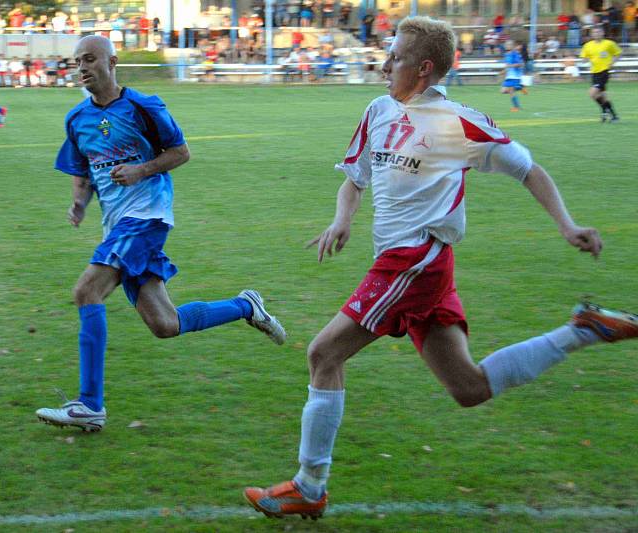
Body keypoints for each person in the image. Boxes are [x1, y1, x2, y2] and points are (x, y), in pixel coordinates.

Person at [244, 16, 638, 520]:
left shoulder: (458, 122)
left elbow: (528, 169)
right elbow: (355, 178)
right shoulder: (378, 110)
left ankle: (309, 486)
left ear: (425, 69)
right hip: (407, 262)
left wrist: (567, 225)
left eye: (397, 58)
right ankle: (582, 330)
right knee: (469, 388)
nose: (384, 64)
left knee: (324, 354)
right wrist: (342, 219)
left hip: (415, 260)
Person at [35, 36, 287, 432]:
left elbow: (181, 152)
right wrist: (79, 203)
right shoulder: (77, 119)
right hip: (118, 225)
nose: (82, 68)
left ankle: (89, 404)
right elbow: (82, 170)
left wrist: (141, 170)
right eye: (77, 62)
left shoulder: (143, 107)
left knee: (87, 290)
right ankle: (246, 306)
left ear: (112, 62)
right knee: (165, 324)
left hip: (147, 216)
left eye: (90, 60)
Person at [579, 27, 621, 122]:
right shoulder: (588, 45)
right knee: (602, 96)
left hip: (604, 71)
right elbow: (584, 58)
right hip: (594, 72)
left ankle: (605, 110)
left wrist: (612, 62)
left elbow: (618, 54)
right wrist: (583, 60)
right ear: (592, 34)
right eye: (594, 32)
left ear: (602, 33)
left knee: (592, 93)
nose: (596, 33)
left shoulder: (609, 43)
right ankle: (613, 115)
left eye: (598, 31)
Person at [501, 40, 525, 111]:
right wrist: (503, 71)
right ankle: (519, 87)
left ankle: (516, 107)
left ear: (512, 46)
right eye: (506, 44)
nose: (507, 46)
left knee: (511, 91)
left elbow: (520, 64)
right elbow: (507, 66)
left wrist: (510, 66)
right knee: (503, 91)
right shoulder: (506, 55)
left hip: (515, 76)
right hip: (509, 76)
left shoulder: (515, 54)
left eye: (508, 44)